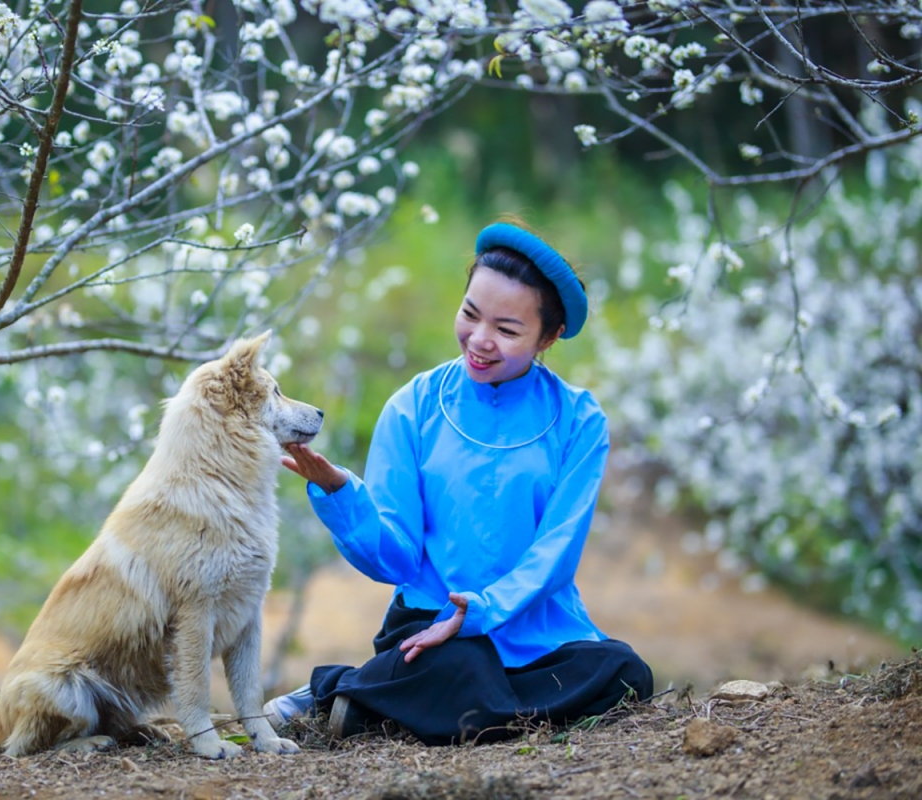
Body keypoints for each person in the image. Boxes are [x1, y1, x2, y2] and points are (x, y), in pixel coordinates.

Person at [263, 219, 654, 746]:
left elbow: (556, 552)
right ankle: (346, 691)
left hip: (534, 626)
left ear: (549, 336)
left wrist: (486, 610)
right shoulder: (414, 406)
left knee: (625, 674)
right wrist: (341, 494)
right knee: (463, 668)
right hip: (434, 623)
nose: (481, 341)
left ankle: (367, 697)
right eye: (470, 314)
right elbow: (397, 559)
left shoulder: (581, 421)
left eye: (508, 330)